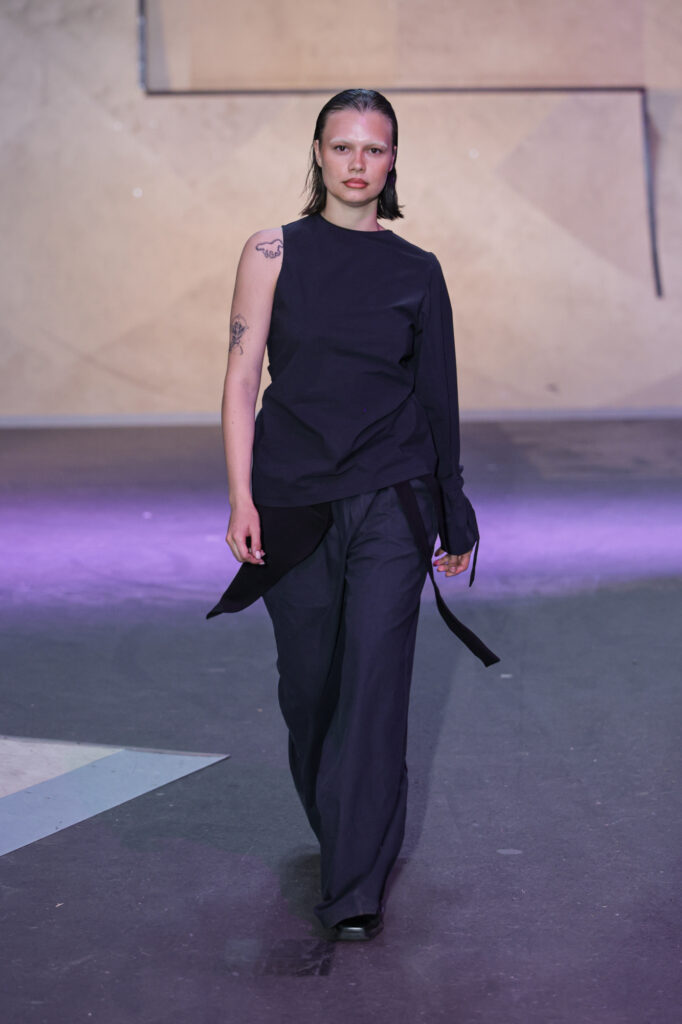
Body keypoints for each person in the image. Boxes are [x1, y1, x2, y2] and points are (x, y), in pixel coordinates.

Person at [212, 88, 497, 942]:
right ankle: (340, 828)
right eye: (343, 146)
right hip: (292, 497)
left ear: (393, 160)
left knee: (374, 686)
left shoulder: (417, 270)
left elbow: (438, 394)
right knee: (311, 691)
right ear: (318, 153)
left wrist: (454, 510)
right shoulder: (271, 250)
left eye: (374, 149)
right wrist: (240, 496)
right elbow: (240, 378)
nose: (358, 163)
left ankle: (354, 886)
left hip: (392, 497)